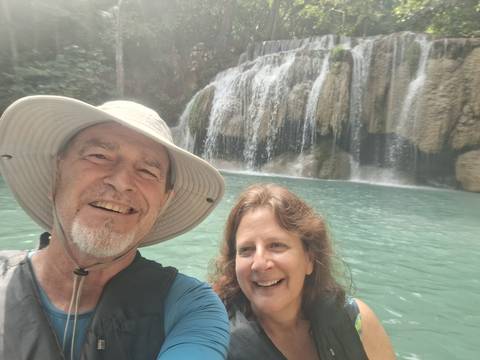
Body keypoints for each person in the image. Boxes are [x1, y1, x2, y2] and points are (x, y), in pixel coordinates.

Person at [0, 95, 229, 360]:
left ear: (164, 202)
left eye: (147, 171)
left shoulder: (189, 307)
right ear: (56, 174)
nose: (121, 182)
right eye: (99, 156)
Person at [211, 184, 396, 360]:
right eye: (246, 250)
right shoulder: (211, 342)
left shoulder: (358, 322)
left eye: (276, 246)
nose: (259, 263)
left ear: (309, 259)